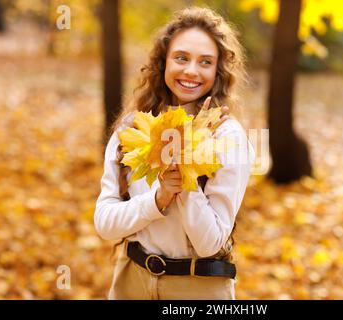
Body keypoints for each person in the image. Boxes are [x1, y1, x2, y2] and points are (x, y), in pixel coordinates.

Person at [94, 6, 255, 300]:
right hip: (132, 280)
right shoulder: (133, 127)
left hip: (197, 288)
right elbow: (105, 223)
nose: (191, 71)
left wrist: (184, 181)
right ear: (163, 62)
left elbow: (211, 243)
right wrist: (157, 200)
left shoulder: (226, 136)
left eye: (205, 62)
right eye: (181, 58)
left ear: (217, 71)